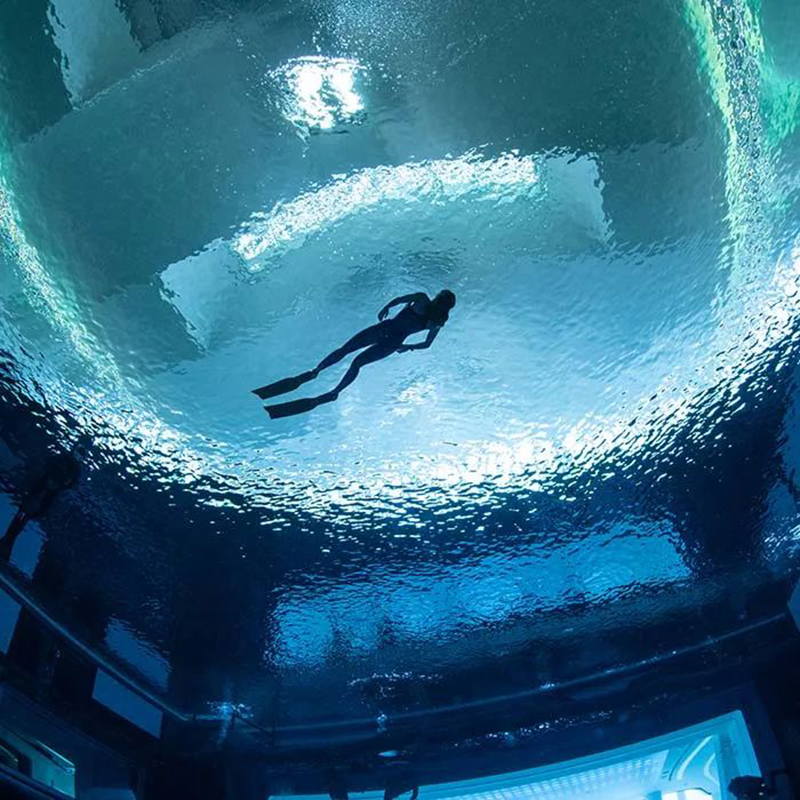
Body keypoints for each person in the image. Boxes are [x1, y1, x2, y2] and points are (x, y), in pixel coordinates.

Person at [253, 289, 456, 419]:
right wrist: (407, 347)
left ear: (438, 297)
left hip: (385, 329)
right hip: (393, 341)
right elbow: (427, 345)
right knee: (356, 362)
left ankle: (315, 372)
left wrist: (386, 307)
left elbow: (397, 301)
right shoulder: (437, 321)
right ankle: (335, 392)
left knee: (346, 350)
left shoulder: (422, 299)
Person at [0, 442, 85, 561]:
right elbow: (49, 465)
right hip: (42, 489)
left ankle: (9, 540)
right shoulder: (64, 460)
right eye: (78, 453)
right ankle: (8, 540)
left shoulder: (73, 468)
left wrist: (59, 485)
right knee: (23, 514)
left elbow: (69, 483)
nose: (78, 456)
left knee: (24, 516)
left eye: (80, 455)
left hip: (46, 492)